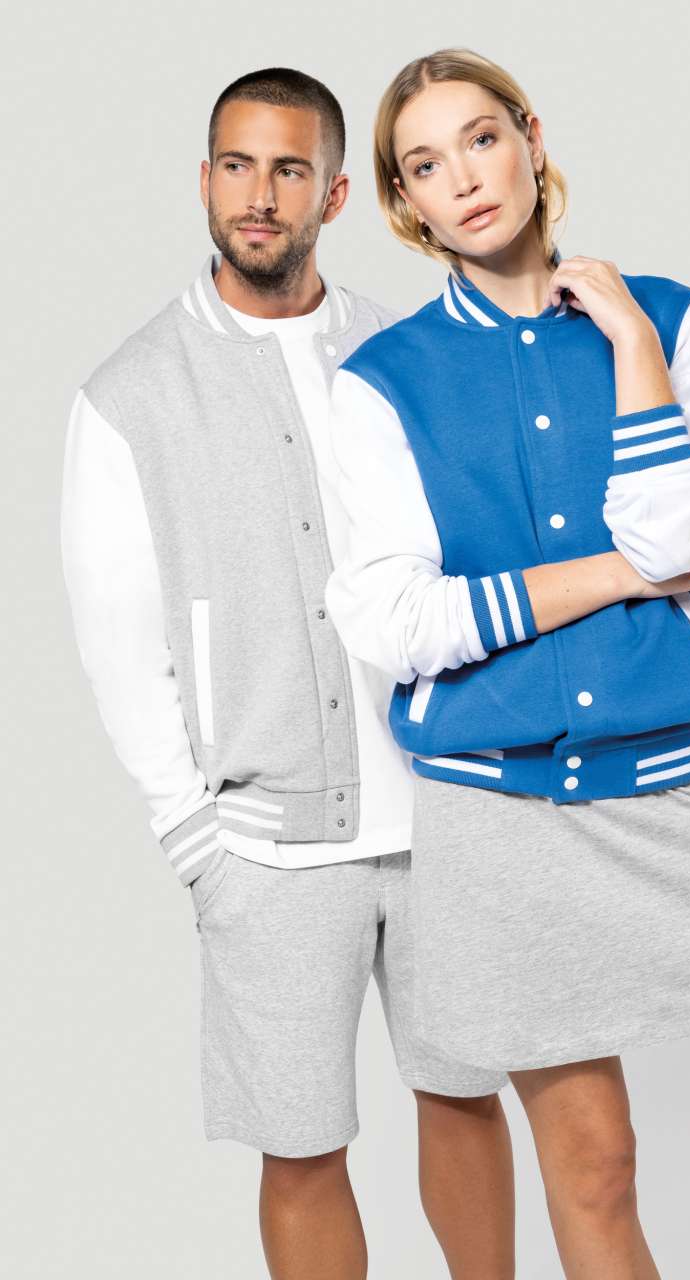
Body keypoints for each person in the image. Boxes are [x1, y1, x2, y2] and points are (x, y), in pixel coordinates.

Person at [324, 47, 690, 1278]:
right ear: (404, 202)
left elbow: (676, 536)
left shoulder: (664, 315)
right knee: (595, 1166)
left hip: (671, 791)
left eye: (480, 138)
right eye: (424, 164)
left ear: (530, 137)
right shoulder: (382, 383)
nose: (463, 178)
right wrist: (617, 575)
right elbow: (398, 622)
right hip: (500, 825)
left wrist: (625, 335)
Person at [60, 66, 517, 1280]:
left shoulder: (404, 353)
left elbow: (480, 552)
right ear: (205, 179)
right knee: (302, 1148)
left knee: (466, 1100)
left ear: (334, 195)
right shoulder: (128, 395)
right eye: (236, 165)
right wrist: (196, 842)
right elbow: (120, 643)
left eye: (288, 169)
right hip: (264, 848)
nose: (258, 195)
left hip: (445, 812)